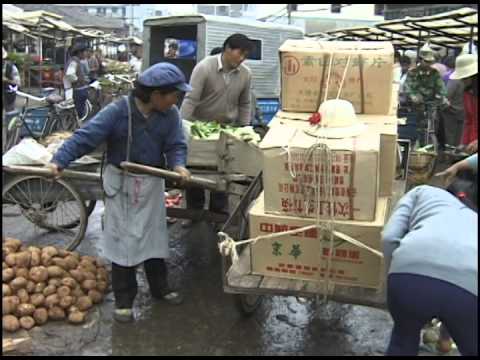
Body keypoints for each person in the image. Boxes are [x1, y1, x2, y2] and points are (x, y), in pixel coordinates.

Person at [47, 62, 192, 323]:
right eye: (174, 94)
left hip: (152, 183)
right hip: (122, 184)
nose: (176, 100)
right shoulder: (117, 111)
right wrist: (60, 160)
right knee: (124, 243)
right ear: (156, 94)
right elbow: (86, 137)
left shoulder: (170, 115)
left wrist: (179, 165)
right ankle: (124, 301)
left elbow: (176, 145)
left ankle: (161, 288)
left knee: (154, 239)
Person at [382, 181, 478, 356]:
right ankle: (444, 341)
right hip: (468, 288)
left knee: (402, 341)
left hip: (408, 276)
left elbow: (389, 238)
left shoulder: (421, 192)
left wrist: (393, 277)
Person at [180, 34, 254, 227]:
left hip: (227, 129)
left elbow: (245, 103)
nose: (242, 58)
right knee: (196, 170)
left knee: (223, 172)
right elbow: (191, 99)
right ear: (227, 49)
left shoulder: (245, 73)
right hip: (200, 128)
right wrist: (181, 125)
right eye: (240, 53)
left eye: (246, 54)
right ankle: (194, 212)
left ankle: (218, 214)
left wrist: (245, 128)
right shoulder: (204, 68)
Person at [404, 43, 448, 147]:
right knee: (415, 130)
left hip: (431, 106)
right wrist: (413, 96)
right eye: (426, 61)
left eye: (430, 62)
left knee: (430, 130)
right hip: (415, 107)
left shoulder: (434, 73)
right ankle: (414, 150)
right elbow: (408, 87)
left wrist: (442, 96)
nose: (428, 64)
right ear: (420, 60)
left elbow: (441, 88)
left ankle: (430, 150)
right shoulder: (412, 72)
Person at [450, 53, 478, 151]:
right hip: (472, 144)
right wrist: (463, 143)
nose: (463, 81)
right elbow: (468, 121)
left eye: (465, 78)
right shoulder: (467, 93)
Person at [436, 55, 465, 150]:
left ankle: (450, 157)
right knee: (459, 137)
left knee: (450, 137)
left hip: (451, 112)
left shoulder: (454, 79)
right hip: (463, 112)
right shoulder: (467, 80)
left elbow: (446, 95)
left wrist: (443, 107)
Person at [64, 44, 90, 119]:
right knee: (78, 114)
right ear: (79, 52)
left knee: (77, 113)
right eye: (85, 52)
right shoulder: (74, 61)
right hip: (77, 91)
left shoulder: (76, 60)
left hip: (78, 90)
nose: (86, 54)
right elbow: (70, 74)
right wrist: (78, 80)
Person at [2, 47, 21, 112]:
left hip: (8, 94)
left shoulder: (11, 67)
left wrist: (6, 80)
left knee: (9, 115)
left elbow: (18, 83)